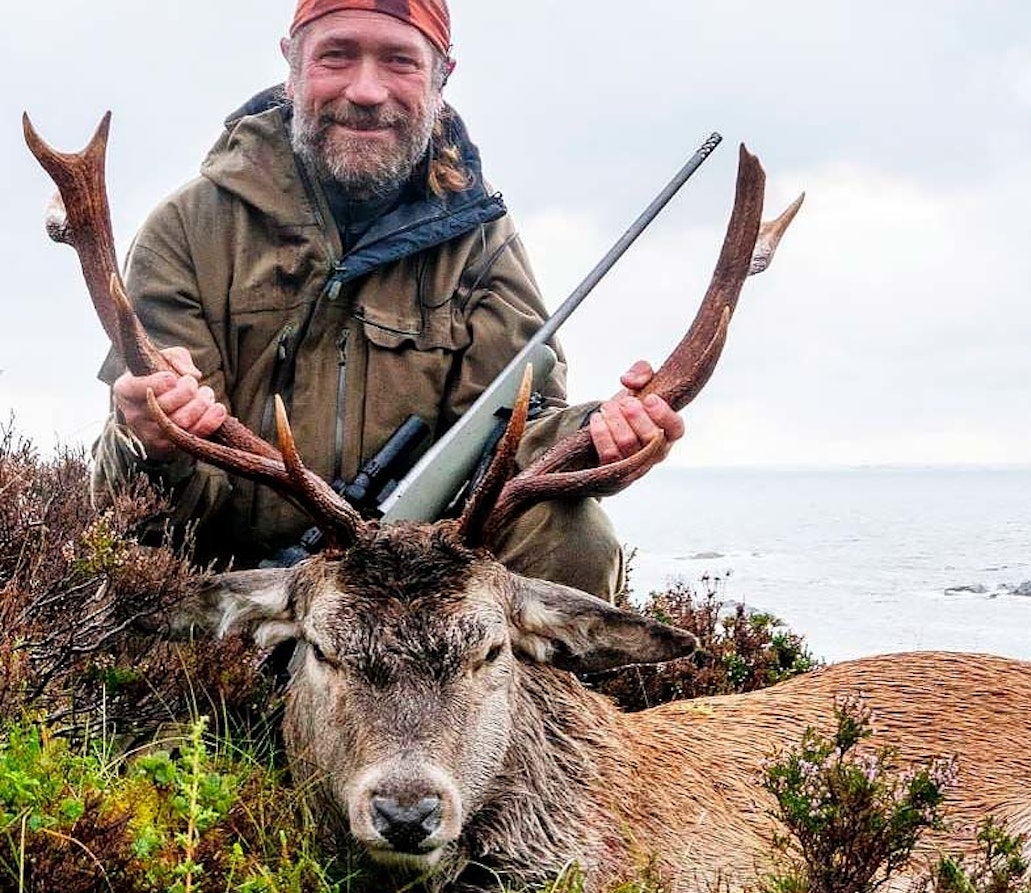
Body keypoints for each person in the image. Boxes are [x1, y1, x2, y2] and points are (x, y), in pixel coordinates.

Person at [92, 0, 683, 601]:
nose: (367, 90)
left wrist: (599, 434)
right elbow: (144, 506)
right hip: (238, 577)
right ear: (292, 66)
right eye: (336, 57)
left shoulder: (481, 241)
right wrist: (150, 438)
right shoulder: (187, 229)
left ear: (441, 75)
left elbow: (511, 432)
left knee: (570, 533)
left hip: (417, 577)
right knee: (134, 551)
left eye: (400, 61)